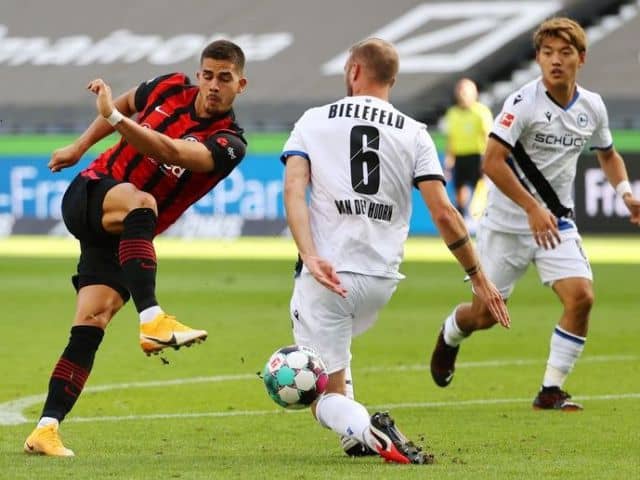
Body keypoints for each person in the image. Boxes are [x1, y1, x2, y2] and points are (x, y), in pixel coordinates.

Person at [281, 38, 509, 465]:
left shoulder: (313, 121)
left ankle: (369, 428)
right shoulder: (413, 132)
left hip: (328, 273)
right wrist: (477, 275)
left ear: (353, 71)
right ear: (392, 78)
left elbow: (294, 188)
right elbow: (444, 212)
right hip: (381, 279)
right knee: (338, 356)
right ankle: (355, 440)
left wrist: (308, 253)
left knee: (317, 395)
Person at [23, 40, 248, 456]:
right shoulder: (167, 88)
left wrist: (112, 114)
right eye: (208, 75)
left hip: (124, 235)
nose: (214, 85)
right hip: (92, 192)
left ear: (241, 84)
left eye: (225, 78)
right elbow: (125, 103)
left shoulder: (230, 143)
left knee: (92, 320)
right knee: (143, 201)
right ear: (198, 74)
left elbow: (171, 150)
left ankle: (46, 428)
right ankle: (153, 319)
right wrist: (78, 146)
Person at [430, 17, 640, 410]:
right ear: (538, 59)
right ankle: (450, 334)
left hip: (556, 223)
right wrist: (530, 208)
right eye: (547, 53)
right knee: (484, 316)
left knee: (582, 297)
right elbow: (492, 162)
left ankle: (550, 390)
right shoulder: (523, 102)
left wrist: (626, 193)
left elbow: (608, 154)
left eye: (564, 53)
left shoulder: (592, 106)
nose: (555, 61)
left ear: (582, 57)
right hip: (507, 225)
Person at [443, 78, 493, 222]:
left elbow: (488, 137)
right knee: (460, 191)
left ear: (474, 93)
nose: (462, 94)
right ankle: (463, 219)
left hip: (478, 156)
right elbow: (450, 139)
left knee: (482, 189)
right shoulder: (452, 113)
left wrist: (487, 160)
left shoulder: (481, 112)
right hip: (459, 157)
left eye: (465, 90)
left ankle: (480, 218)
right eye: (460, 90)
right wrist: (448, 161)